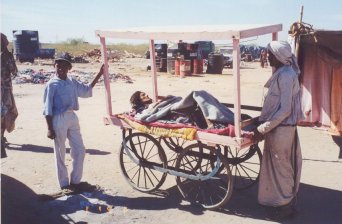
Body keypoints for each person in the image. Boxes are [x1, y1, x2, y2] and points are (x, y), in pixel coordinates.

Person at [253, 41, 304, 221]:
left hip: (281, 129)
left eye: (270, 55)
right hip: (279, 128)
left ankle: (285, 206)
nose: (268, 58)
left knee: (282, 168)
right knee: (277, 168)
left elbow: (285, 110)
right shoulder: (282, 73)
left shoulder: (286, 75)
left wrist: (263, 128)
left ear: (279, 56)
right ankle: (279, 202)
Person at [43, 52, 104, 193]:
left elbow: (86, 90)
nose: (61, 68)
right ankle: (64, 184)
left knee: (80, 150)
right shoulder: (51, 85)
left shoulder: (72, 81)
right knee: (60, 152)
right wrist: (49, 128)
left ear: (69, 67)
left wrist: (100, 74)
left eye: (64, 66)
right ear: (54, 66)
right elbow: (47, 108)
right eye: (58, 65)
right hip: (58, 118)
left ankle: (75, 181)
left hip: (72, 117)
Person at [1, 33, 19, 158]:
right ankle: (1, 138)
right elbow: (14, 71)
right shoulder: (6, 56)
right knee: (5, 114)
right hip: (4, 91)